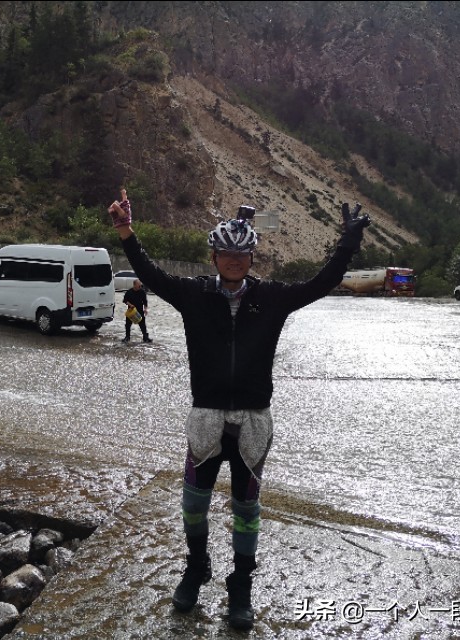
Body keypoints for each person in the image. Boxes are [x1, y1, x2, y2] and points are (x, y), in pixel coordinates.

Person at [108, 189, 370, 631]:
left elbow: (320, 284)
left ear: (252, 257)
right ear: (213, 256)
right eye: (226, 252)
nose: (233, 259)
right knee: (194, 502)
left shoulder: (271, 298)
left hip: (252, 420)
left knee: (246, 508)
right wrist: (125, 232)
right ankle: (196, 567)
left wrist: (346, 244)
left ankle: (241, 586)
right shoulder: (193, 295)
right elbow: (151, 274)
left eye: (241, 253)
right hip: (206, 416)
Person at [122, 279, 153, 343]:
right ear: (134, 285)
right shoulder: (129, 292)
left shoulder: (142, 292)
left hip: (140, 311)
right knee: (128, 325)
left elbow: (145, 302)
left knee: (143, 325)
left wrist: (145, 309)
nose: (140, 286)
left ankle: (145, 337)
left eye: (140, 285)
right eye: (139, 285)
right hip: (131, 311)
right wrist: (130, 305)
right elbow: (125, 301)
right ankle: (127, 337)